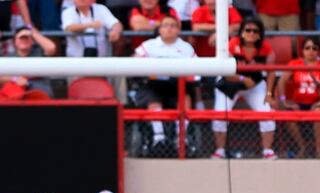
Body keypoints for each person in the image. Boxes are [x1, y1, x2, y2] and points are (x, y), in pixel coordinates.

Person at [211, 17, 277, 160]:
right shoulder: (232, 44)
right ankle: (220, 150)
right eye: (248, 30)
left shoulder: (266, 48)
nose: (251, 33)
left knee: (267, 113)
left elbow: (271, 71)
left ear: (260, 34)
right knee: (220, 114)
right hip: (230, 82)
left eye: (255, 31)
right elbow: (224, 70)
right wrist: (243, 79)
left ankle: (267, 150)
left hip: (254, 84)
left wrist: (269, 94)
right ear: (241, 32)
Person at [133, 15, 197, 156]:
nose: (169, 29)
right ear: (160, 29)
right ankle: (159, 139)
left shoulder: (186, 48)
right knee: (152, 100)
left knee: (185, 98)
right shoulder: (148, 45)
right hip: (153, 84)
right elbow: (135, 62)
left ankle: (181, 139)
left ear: (178, 30)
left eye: (173, 26)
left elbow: (197, 70)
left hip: (177, 85)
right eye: (165, 25)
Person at [276, 37, 320, 158]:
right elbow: (281, 82)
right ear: (302, 50)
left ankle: (318, 149)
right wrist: (283, 100)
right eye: (307, 48)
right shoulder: (295, 63)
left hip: (316, 103)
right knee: (287, 115)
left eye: (314, 48)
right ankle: (302, 147)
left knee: (318, 113)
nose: (311, 51)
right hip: (298, 103)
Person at [0, 26, 57, 100]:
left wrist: (34, 34)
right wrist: (15, 79)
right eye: (21, 38)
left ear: (32, 41)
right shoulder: (9, 57)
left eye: (27, 38)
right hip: (17, 96)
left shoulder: (40, 53)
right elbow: (0, 78)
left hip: (40, 94)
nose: (24, 41)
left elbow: (51, 48)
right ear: (15, 42)